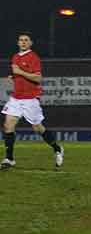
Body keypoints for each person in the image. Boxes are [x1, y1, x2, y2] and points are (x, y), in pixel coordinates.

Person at [1, 32, 64, 169]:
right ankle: (9, 159)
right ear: (18, 43)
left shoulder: (33, 57)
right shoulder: (15, 57)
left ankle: (57, 148)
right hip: (16, 98)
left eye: (26, 40)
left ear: (30, 43)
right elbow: (17, 74)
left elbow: (38, 78)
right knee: (8, 125)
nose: (23, 42)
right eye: (21, 40)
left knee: (38, 128)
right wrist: (14, 77)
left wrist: (20, 73)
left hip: (30, 99)